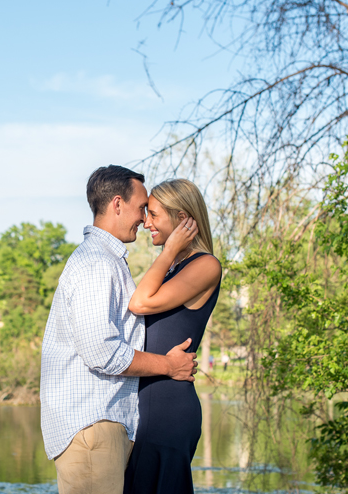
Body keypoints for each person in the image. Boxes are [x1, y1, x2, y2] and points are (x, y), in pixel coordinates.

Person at [40, 165, 199, 494]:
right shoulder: (97, 263)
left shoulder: (105, 261)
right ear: (116, 204)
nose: (144, 218)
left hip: (100, 428)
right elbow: (103, 352)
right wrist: (169, 366)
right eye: (141, 207)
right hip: (93, 428)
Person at [123, 178, 222, 494]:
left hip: (168, 410)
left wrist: (168, 251)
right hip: (146, 406)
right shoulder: (171, 269)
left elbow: (139, 303)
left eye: (153, 214)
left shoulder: (205, 265)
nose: (145, 222)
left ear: (182, 219)